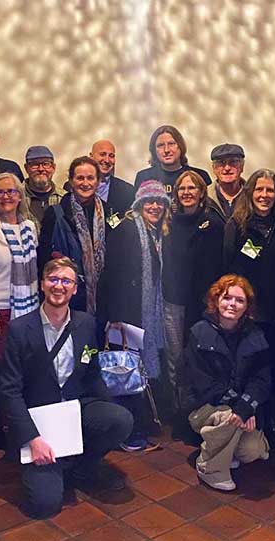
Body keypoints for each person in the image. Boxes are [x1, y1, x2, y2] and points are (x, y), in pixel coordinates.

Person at [0, 256, 133, 519]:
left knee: (121, 420)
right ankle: (57, 465)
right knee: (45, 505)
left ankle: (83, 466)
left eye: (66, 281)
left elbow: (92, 374)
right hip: (40, 422)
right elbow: (9, 392)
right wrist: (33, 439)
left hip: (74, 410)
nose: (58, 286)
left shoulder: (86, 323)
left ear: (74, 289)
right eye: (53, 279)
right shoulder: (19, 329)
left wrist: (108, 411)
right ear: (42, 284)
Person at [98, 180, 171, 451]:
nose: (154, 206)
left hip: (146, 313)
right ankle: (128, 433)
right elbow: (112, 273)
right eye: (148, 202)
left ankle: (138, 426)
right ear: (138, 206)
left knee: (136, 372)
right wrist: (115, 315)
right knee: (126, 373)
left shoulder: (156, 233)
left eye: (159, 202)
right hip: (127, 312)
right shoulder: (128, 229)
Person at [224, 169, 275, 439]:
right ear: (250, 192)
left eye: (270, 191)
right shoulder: (236, 226)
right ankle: (252, 425)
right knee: (250, 371)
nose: (264, 195)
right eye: (259, 190)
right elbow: (227, 268)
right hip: (248, 315)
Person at [185, 275, 271, 491]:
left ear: (247, 306)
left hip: (242, 407)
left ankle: (222, 447)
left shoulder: (255, 334)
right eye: (227, 298)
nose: (232, 304)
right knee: (230, 418)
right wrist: (240, 407)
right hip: (206, 406)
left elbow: (261, 379)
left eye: (239, 300)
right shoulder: (199, 332)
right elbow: (203, 383)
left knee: (251, 452)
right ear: (216, 300)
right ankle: (210, 469)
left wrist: (248, 406)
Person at [163, 171, 224, 420]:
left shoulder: (213, 223)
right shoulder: (167, 222)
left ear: (201, 192)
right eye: (182, 188)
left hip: (203, 304)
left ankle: (203, 411)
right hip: (173, 301)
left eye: (192, 188)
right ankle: (179, 411)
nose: (187, 192)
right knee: (175, 359)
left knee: (201, 357)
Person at [0, 173, 40, 366]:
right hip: (2, 310)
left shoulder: (30, 227)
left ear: (20, 196)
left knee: (27, 365)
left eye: (11, 191)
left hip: (30, 307)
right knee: (5, 366)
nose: (6, 196)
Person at [38, 157, 108, 315]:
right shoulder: (55, 213)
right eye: (80, 178)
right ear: (71, 181)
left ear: (98, 181)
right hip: (68, 296)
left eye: (90, 178)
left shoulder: (107, 211)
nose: (85, 183)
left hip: (103, 295)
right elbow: (43, 256)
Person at [133, 125, 211, 195]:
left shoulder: (200, 176)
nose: (166, 150)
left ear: (180, 146)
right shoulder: (144, 177)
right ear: (154, 150)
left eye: (171, 144)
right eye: (160, 145)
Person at [90, 139, 135, 222]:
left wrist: (110, 221)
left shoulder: (127, 191)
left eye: (111, 156)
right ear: (91, 156)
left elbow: (124, 226)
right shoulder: (74, 188)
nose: (107, 160)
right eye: (102, 154)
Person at [23, 145, 66, 224]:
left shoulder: (64, 198)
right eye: (34, 164)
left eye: (46, 164)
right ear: (26, 168)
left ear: (53, 168)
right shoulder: (16, 197)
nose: (41, 169)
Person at [206, 143, 246, 221]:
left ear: (242, 166)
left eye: (233, 162)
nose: (227, 168)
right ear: (214, 168)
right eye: (221, 162)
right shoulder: (203, 197)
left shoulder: (253, 196)